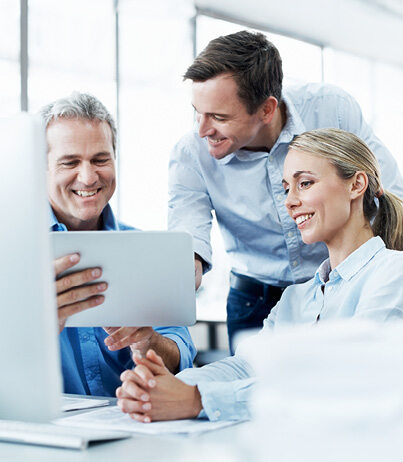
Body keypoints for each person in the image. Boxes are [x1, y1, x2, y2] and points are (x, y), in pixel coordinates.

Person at [116, 128, 403, 422]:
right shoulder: (296, 297)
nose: (289, 201)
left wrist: (197, 400)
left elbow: (346, 376)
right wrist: (170, 384)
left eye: (305, 183)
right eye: (286, 188)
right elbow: (246, 366)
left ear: (356, 185)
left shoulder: (393, 273)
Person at [168, 30, 403, 352]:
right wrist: (176, 280)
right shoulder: (190, 153)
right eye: (198, 112)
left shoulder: (330, 109)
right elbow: (187, 234)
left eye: (219, 117)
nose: (202, 129)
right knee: (250, 387)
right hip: (256, 297)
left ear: (267, 109)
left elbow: (388, 190)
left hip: (342, 285)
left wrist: (380, 275)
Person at [41, 92, 196, 397]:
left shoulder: (146, 249)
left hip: (132, 426)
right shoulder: (11, 253)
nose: (88, 177)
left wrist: (149, 343)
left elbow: (182, 353)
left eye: (100, 160)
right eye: (69, 162)